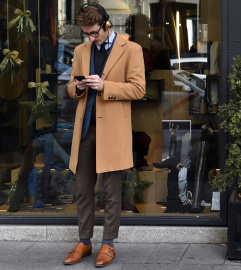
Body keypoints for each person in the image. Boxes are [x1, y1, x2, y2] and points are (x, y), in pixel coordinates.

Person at [63, 3, 145, 267]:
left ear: (106, 25)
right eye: (87, 33)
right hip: (85, 129)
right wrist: (78, 86)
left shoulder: (131, 49)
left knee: (111, 191)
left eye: (94, 32)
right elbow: (70, 87)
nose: (91, 37)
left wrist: (104, 86)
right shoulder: (80, 50)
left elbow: (138, 89)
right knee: (83, 190)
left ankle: (108, 244)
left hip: (113, 130)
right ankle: (84, 241)